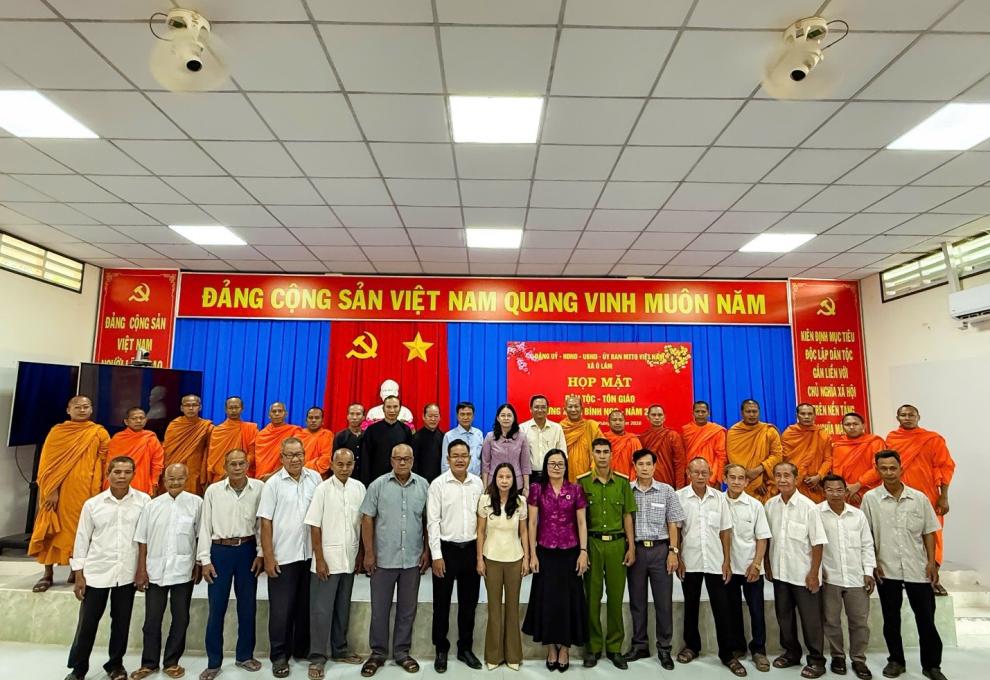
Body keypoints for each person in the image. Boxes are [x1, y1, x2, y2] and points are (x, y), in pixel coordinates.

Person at [861, 451, 945, 680]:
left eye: (893, 468)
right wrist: (872, 563)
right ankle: (896, 661)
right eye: (884, 468)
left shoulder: (919, 498)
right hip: (886, 568)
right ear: (877, 470)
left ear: (901, 469)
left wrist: (931, 563)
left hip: (918, 567)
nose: (889, 473)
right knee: (891, 619)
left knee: (926, 619)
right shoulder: (870, 499)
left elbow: (929, 532)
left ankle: (932, 665)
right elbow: (866, 535)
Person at [65, 456, 150, 680]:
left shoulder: (144, 501)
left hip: (127, 572)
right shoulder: (93, 505)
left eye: (127, 472)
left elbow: (145, 539)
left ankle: (115, 665)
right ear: (108, 474)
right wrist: (79, 575)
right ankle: (78, 668)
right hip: (97, 571)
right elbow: (81, 540)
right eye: (117, 472)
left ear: (133, 474)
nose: (122, 476)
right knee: (87, 623)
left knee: (121, 622)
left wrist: (142, 570)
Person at [864, 405, 954, 593]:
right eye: (903, 415)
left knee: (932, 534)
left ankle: (934, 576)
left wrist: (944, 496)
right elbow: (883, 467)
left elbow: (945, 467)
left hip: (926, 494)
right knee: (896, 535)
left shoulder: (933, 439)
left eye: (911, 415)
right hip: (896, 494)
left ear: (918, 417)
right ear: (897, 418)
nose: (907, 418)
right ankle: (900, 576)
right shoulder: (892, 439)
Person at [359, 443, 431, 677]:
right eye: (398, 458)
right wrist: (369, 553)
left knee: (407, 610)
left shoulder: (423, 485)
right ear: (391, 461)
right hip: (383, 559)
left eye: (406, 459)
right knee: (380, 609)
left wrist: (427, 551)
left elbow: (428, 521)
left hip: (412, 559)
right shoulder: (378, 485)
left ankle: (402, 652)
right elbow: (367, 519)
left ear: (412, 461)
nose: (402, 462)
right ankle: (377, 653)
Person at [29, 395, 110, 593]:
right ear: (68, 410)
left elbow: (105, 461)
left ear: (91, 409)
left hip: (85, 490)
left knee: (81, 530)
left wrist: (99, 490)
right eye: (77, 407)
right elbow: (47, 465)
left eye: (86, 407)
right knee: (50, 527)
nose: (82, 410)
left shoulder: (98, 432)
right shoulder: (57, 432)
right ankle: (47, 573)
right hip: (57, 491)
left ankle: (76, 571)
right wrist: (51, 490)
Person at [131, 463, 203, 680]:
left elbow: (200, 537)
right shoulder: (152, 506)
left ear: (187, 479)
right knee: (152, 620)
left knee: (181, 618)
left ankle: (172, 661)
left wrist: (198, 564)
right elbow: (142, 540)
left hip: (183, 569)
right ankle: (149, 663)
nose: (175, 482)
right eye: (171, 479)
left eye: (180, 478)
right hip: (155, 570)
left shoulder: (197, 504)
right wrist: (141, 570)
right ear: (164, 481)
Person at [197, 449, 265, 680]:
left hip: (247, 550)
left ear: (247, 465)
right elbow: (205, 525)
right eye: (232, 464)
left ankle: (244, 655)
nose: (237, 468)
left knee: (248, 606)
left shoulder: (259, 488)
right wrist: (205, 560)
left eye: (241, 463)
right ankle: (213, 662)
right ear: (225, 467)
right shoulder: (214, 491)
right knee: (217, 608)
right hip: (220, 551)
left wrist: (261, 553)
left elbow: (261, 524)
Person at [258, 437, 321, 677]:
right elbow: (265, 522)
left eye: (299, 454)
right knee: (281, 610)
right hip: (283, 556)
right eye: (290, 455)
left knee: (305, 606)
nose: (295, 459)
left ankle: (301, 650)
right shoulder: (273, 484)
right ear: (282, 457)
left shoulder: (315, 479)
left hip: (309, 555)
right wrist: (268, 556)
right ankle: (279, 655)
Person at [522, 449, 589, 672]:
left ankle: (565, 648)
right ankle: (551, 647)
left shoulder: (575, 489)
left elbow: (582, 523)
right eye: (552, 463)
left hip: (570, 552)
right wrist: (532, 554)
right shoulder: (537, 489)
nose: (556, 467)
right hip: (545, 552)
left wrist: (583, 551)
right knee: (548, 601)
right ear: (546, 466)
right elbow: (532, 523)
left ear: (566, 466)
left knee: (569, 601)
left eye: (560, 464)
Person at [675, 458, 741, 676]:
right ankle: (692, 646)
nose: (700, 476)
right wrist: (678, 557)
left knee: (722, 607)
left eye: (704, 472)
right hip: (690, 560)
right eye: (696, 472)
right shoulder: (679, 497)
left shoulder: (719, 498)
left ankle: (727, 653)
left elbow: (725, 531)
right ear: (688, 473)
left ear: (710, 474)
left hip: (715, 561)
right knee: (691, 605)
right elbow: (676, 530)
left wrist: (727, 561)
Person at [305, 448, 367, 679]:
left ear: (353, 465)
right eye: (340, 464)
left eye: (348, 464)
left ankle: (340, 650)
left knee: (342, 608)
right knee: (321, 611)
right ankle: (317, 657)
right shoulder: (322, 489)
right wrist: (320, 559)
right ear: (331, 464)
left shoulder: (359, 488)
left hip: (349, 558)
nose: (344, 468)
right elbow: (314, 526)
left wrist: (361, 554)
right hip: (327, 562)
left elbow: (362, 524)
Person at [764, 461, 828, 679]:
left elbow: (818, 543)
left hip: (803, 575)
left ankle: (816, 660)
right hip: (781, 573)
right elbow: (767, 539)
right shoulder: (770, 506)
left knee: (811, 620)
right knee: (784, 617)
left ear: (796, 478)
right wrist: (768, 565)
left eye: (787, 475)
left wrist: (814, 573)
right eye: (778, 475)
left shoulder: (809, 507)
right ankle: (791, 653)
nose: (782, 480)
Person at [622, 449, 684, 669]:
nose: (645, 468)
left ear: (655, 466)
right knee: (637, 602)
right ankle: (639, 645)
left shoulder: (666, 491)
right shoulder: (627, 490)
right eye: (641, 464)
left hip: (660, 551)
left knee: (663, 603)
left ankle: (664, 648)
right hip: (636, 551)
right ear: (634, 466)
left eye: (649, 464)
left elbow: (673, 523)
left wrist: (673, 552)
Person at [578, 437, 636, 669]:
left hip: (616, 545)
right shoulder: (582, 482)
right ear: (592, 454)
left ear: (611, 455)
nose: (602, 456)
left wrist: (631, 546)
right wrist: (582, 550)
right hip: (592, 544)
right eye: (598, 452)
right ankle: (592, 648)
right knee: (591, 598)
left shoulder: (622, 482)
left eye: (605, 452)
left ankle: (614, 648)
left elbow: (627, 515)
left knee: (615, 597)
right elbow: (579, 520)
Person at [428, 439, 485, 672]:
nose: (460, 459)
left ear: (470, 459)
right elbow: (432, 522)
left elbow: (483, 521)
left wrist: (481, 555)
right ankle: (441, 649)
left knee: (468, 604)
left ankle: (465, 649)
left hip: (471, 550)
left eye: (464, 455)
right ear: (448, 459)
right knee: (441, 604)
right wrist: (436, 555)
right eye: (455, 455)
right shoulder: (438, 485)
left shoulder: (478, 483)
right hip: (446, 550)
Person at [819, 474, 876, 680]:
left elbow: (867, 545)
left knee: (859, 622)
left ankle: (859, 659)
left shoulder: (858, 515)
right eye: (830, 490)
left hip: (856, 577)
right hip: (830, 578)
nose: (835, 494)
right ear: (823, 491)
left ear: (845, 491)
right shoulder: (816, 513)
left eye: (839, 490)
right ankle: (838, 657)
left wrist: (868, 572)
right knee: (831, 621)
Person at [477, 462, 530, 671]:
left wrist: (526, 558)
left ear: (513, 480)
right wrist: (479, 559)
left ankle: (513, 655)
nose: (504, 481)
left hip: (515, 558)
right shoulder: (485, 500)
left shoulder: (520, 502)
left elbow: (524, 531)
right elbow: (480, 531)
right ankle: (493, 655)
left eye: (508, 477)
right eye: (501, 477)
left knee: (512, 608)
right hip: (491, 558)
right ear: (495, 479)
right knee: (494, 608)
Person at [723, 463, 773, 673]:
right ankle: (738, 647)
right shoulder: (718, 503)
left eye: (740, 478)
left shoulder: (755, 505)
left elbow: (762, 538)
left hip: (751, 567)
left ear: (746, 481)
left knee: (756, 610)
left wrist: (757, 564)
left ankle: (759, 650)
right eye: (732, 477)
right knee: (732, 610)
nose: (736, 482)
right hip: (727, 569)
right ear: (725, 479)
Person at [727, 399, 783, 503]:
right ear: (742, 413)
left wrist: (758, 472)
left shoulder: (769, 431)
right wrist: (755, 481)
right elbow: (734, 460)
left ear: (759, 412)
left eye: (754, 411)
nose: (752, 414)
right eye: (748, 411)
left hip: (766, 483)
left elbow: (777, 456)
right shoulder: (734, 432)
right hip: (742, 482)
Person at [106, 407, 164, 497]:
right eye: (134, 418)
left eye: (141, 418)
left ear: (146, 420)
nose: (138, 421)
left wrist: (154, 483)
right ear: (126, 421)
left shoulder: (150, 438)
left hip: (142, 482)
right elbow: (110, 463)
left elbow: (157, 463)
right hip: (119, 481)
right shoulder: (118, 439)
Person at [781, 404, 832, 503]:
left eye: (810, 414)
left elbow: (828, 459)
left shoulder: (823, 435)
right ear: (797, 415)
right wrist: (802, 476)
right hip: (794, 480)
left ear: (814, 416)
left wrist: (819, 476)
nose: (806, 416)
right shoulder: (789, 434)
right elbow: (786, 458)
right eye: (803, 414)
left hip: (816, 484)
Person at [163, 394, 213, 495]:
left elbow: (209, 452)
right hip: (174, 466)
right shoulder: (174, 426)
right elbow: (167, 450)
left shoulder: (206, 427)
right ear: (182, 408)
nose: (191, 408)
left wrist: (205, 474)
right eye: (187, 405)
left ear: (200, 407)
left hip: (195, 469)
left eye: (194, 405)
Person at [359, 395, 414, 485]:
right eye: (388, 407)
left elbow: (409, 457)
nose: (392, 410)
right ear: (383, 409)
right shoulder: (372, 430)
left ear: (400, 409)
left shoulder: (406, 430)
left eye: (395, 407)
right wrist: (365, 482)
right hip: (376, 479)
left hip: (400, 479)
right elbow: (365, 458)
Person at [833, 413, 885, 506]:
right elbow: (836, 470)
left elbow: (879, 468)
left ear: (863, 426)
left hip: (871, 492)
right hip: (846, 493)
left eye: (855, 424)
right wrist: (846, 487)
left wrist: (858, 485)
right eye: (847, 424)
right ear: (842, 427)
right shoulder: (838, 446)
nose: (851, 427)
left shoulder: (875, 442)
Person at [204, 396, 258, 486]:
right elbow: (213, 459)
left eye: (236, 407)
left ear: (242, 408)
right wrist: (225, 471)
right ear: (225, 409)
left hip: (243, 474)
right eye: (230, 408)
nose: (233, 410)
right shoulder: (217, 431)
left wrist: (238, 468)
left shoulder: (251, 429)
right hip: (221, 476)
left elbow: (253, 454)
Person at [481, 403, 532, 493]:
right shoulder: (490, 437)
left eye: (509, 415)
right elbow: (485, 464)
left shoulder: (522, 437)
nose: (506, 418)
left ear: (514, 418)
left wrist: (526, 487)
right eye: (503, 415)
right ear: (498, 418)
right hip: (494, 483)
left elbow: (525, 464)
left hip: (516, 483)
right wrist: (485, 486)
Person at [520, 394, 566, 486]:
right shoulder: (522, 428)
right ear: (531, 409)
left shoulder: (557, 428)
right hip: (529, 476)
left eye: (543, 407)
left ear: (548, 409)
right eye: (536, 407)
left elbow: (563, 453)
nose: (540, 410)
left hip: (552, 475)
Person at [682, 400, 727, 488]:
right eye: (697, 411)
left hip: (711, 476)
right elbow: (683, 455)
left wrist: (718, 479)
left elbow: (721, 457)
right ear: (693, 413)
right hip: (691, 474)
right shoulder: (686, 430)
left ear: (708, 413)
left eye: (703, 412)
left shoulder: (717, 431)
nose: (700, 414)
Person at [639, 404, 686, 488]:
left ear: (664, 417)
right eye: (653, 415)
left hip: (668, 480)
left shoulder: (672, 435)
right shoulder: (643, 437)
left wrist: (679, 486)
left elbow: (679, 463)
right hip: (647, 481)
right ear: (648, 417)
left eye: (660, 415)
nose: (657, 418)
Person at [254, 402, 302, 481]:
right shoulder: (261, 435)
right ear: (269, 415)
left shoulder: (294, 431)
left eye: (280, 411)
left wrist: (272, 475)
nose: (277, 414)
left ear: (285, 414)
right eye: (274, 411)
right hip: (262, 478)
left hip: (285, 476)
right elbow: (259, 462)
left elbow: (295, 457)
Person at [559, 395, 601, 482]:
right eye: (570, 407)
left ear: (582, 409)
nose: (573, 409)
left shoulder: (591, 426)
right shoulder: (559, 428)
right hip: (565, 477)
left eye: (576, 406)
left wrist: (594, 471)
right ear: (565, 409)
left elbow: (601, 451)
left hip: (589, 477)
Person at [442, 401, 484, 477]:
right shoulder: (449, 436)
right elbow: (445, 464)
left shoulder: (479, 434)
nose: (465, 417)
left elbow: (482, 459)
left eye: (469, 414)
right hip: (456, 479)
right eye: (462, 414)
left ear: (473, 416)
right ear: (457, 416)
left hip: (476, 479)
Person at [602, 410, 643, 480]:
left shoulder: (633, 440)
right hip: (606, 480)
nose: (617, 422)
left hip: (627, 481)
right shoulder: (603, 439)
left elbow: (639, 463)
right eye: (614, 420)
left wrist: (632, 482)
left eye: (620, 420)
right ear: (609, 422)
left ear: (624, 422)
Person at [412, 403, 444, 482]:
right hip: (421, 481)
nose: (433, 419)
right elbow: (413, 463)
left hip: (440, 481)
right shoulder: (416, 438)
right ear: (424, 417)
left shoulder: (444, 437)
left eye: (436, 416)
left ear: (440, 417)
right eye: (430, 416)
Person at [299, 406, 334, 477]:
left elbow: (325, 459)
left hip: (318, 476)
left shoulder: (327, 435)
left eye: (317, 418)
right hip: (297, 474)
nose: (313, 420)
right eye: (310, 417)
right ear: (306, 420)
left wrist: (304, 469)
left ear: (322, 421)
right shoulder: (298, 435)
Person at [333, 402, 365, 467]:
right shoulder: (340, 436)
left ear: (363, 417)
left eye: (358, 414)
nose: (354, 417)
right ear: (347, 416)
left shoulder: (368, 436)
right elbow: (335, 459)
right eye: (351, 414)